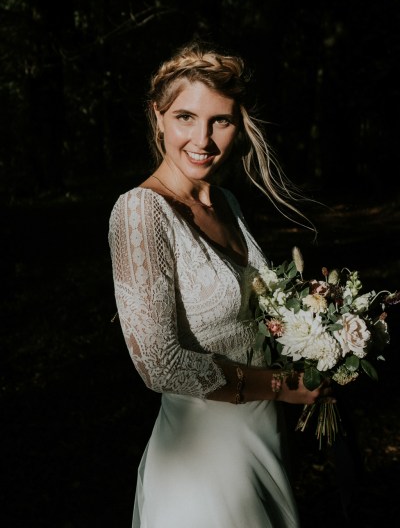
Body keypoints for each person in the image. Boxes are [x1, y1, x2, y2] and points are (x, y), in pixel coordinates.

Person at [108, 42, 332, 527]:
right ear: (158, 117)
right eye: (186, 117)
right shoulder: (140, 212)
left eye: (221, 121)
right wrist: (279, 386)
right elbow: (159, 365)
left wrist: (320, 339)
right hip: (200, 456)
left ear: (240, 124)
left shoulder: (225, 201)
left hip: (261, 438)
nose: (202, 139)